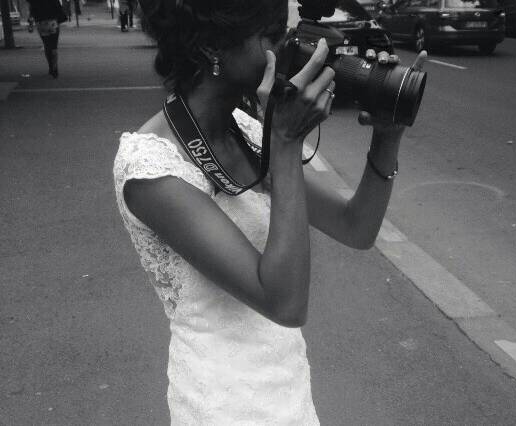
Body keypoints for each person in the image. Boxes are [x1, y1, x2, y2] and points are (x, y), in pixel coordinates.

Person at [113, 0, 427, 423]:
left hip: (287, 388)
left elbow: (356, 227)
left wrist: (387, 138)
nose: (288, 49)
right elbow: (285, 302)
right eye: (271, 36)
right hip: (221, 405)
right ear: (211, 48)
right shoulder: (150, 168)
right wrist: (284, 142)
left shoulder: (244, 130)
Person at [27, 0, 65, 78]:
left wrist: (31, 23)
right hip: (52, 22)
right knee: (54, 46)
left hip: (41, 23)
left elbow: (32, 8)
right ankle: (55, 69)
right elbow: (58, 7)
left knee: (47, 45)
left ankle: (50, 67)